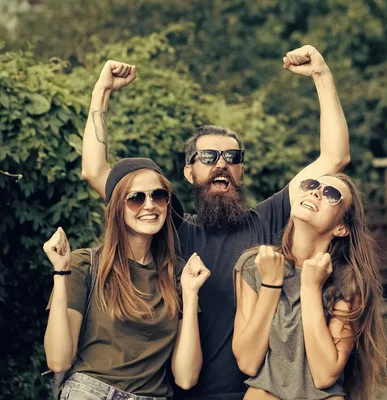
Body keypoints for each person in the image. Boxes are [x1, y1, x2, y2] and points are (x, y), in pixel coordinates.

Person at [81, 45, 351, 399]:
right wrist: (100, 93)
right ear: (189, 172)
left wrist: (322, 75)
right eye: (207, 156)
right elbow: (95, 171)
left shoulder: (269, 221)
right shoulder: (168, 224)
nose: (220, 163)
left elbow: (335, 157)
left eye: (231, 157)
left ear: (242, 170)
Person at [44, 158, 210, 399]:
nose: (150, 205)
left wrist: (191, 294)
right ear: (116, 208)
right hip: (90, 391)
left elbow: (185, 378)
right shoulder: (85, 265)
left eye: (158, 196)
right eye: (136, 198)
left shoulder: (178, 275)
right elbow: (58, 361)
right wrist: (60, 273)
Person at [233, 174, 387, 400]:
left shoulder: (348, 282)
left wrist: (310, 288)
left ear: (341, 228)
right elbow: (248, 363)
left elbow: (324, 375)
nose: (316, 192)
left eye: (331, 194)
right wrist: (271, 285)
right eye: (311, 185)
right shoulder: (256, 264)